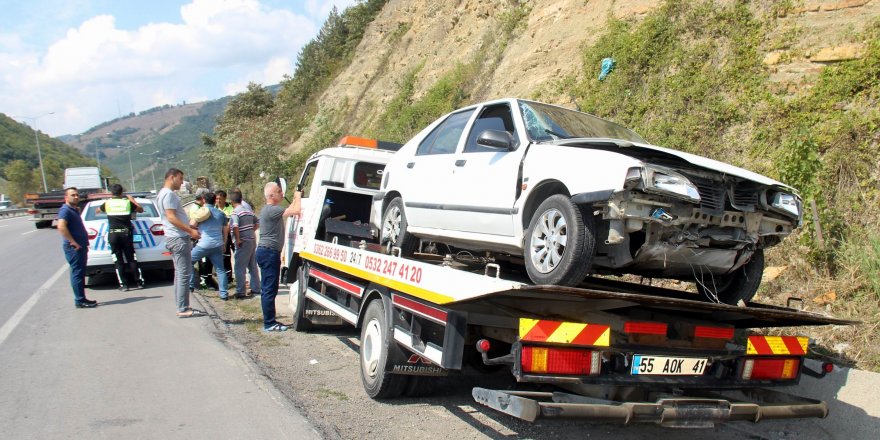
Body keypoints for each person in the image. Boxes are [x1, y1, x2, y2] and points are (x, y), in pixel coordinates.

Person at [156, 168, 204, 318]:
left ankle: (182, 305)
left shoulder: (162, 194)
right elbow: (171, 217)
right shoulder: (169, 194)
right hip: (178, 238)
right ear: (171, 177)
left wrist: (189, 228)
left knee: (180, 273)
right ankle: (183, 308)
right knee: (184, 273)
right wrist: (190, 231)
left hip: (174, 237)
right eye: (180, 179)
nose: (182, 182)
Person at [256, 182, 301, 332]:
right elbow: (295, 210)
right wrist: (298, 196)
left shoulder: (269, 210)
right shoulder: (272, 210)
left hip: (267, 252)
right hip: (269, 253)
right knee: (269, 289)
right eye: (279, 192)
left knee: (268, 288)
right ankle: (269, 323)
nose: (282, 194)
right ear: (271, 196)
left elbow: (291, 209)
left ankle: (270, 321)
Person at [97, 184, 145, 291]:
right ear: (122, 192)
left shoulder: (107, 203)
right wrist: (132, 200)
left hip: (113, 235)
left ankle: (124, 285)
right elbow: (141, 210)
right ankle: (138, 283)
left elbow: (97, 211)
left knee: (118, 260)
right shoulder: (127, 202)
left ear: (111, 193)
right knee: (131, 258)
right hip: (126, 234)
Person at [57, 187, 98, 309]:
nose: (76, 197)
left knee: (79, 273)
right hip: (74, 248)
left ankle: (81, 299)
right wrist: (73, 242)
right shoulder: (65, 210)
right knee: (77, 274)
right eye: (72, 195)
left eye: (77, 195)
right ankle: (80, 300)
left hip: (80, 246)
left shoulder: (73, 210)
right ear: (66, 197)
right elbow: (61, 226)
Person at [188, 192, 230, 300]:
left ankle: (190, 285)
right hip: (218, 244)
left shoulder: (201, 212)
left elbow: (192, 224)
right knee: (220, 269)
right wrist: (224, 244)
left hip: (204, 244)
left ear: (203, 200)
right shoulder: (221, 214)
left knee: (189, 261)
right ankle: (224, 294)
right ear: (215, 200)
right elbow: (225, 231)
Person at [230, 189, 260, 299]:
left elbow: (235, 226)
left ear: (231, 202)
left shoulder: (235, 212)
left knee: (239, 267)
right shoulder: (248, 211)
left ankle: (241, 291)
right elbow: (257, 222)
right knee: (252, 265)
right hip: (251, 240)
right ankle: (256, 288)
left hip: (243, 241)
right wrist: (251, 230)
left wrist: (238, 239)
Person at [215, 189, 234, 284]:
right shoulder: (214, 209)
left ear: (225, 199)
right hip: (221, 236)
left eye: (220, 199)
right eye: (217, 199)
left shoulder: (230, 207)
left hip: (232, 234)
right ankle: (228, 278)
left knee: (237, 255)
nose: (218, 201)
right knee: (225, 257)